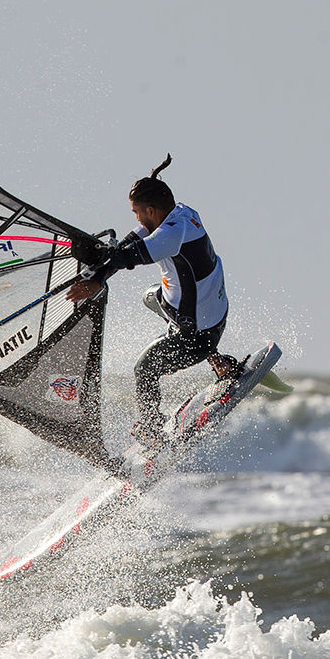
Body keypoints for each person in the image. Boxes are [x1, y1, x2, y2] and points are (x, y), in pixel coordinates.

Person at [66, 155, 239, 448]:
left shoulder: (169, 235)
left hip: (197, 336)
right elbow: (129, 243)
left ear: (150, 209)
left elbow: (129, 256)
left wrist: (97, 280)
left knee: (144, 369)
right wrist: (101, 263)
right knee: (149, 296)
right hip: (215, 312)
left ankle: (151, 429)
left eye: (136, 213)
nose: (136, 219)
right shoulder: (183, 213)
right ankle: (220, 362)